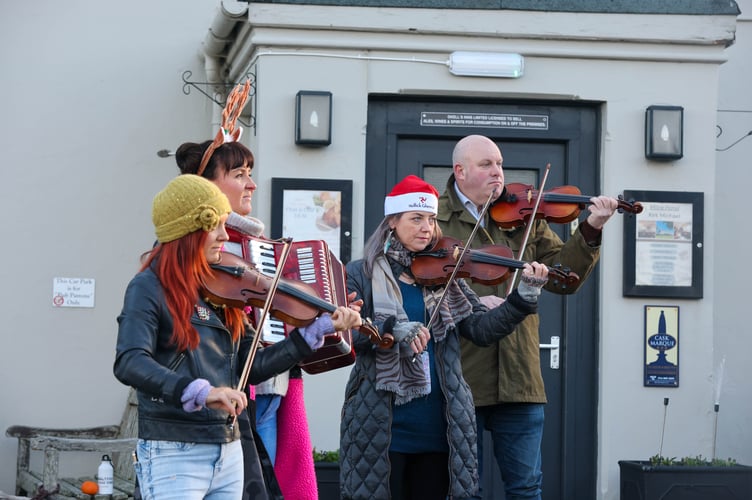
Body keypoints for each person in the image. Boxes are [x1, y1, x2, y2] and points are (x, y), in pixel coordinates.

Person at [114, 174, 362, 500]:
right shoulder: (149, 286)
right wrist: (197, 391)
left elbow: (253, 367)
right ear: (188, 232)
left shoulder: (222, 288)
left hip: (228, 447)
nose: (222, 235)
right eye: (213, 226)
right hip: (175, 447)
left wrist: (311, 334)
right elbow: (130, 361)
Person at [339, 175, 550, 500]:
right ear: (393, 221)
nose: (426, 227)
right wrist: (393, 331)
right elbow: (349, 332)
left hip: (440, 426)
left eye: (431, 219)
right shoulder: (362, 272)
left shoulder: (445, 275)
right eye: (416, 218)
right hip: (380, 426)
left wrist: (523, 297)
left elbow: (481, 329)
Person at [436, 134, 619, 500]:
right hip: (458, 377)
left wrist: (591, 228)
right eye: (486, 164)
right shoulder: (433, 218)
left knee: (525, 488)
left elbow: (565, 278)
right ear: (460, 170)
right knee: (460, 489)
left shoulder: (525, 218)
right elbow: (417, 279)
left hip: (518, 377)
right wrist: (467, 307)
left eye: (500, 164)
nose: (497, 172)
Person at [175, 80, 321, 500]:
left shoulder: (258, 246)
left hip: (269, 384)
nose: (251, 185)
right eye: (239, 175)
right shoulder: (197, 248)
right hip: (228, 393)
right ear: (206, 186)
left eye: (249, 174)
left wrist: (314, 313)